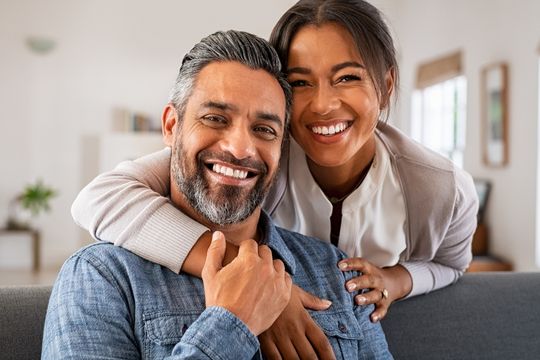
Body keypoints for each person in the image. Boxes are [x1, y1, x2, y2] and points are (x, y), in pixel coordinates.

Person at [72, 0, 478, 357]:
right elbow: (101, 197)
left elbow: (451, 264)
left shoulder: (436, 187)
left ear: (386, 85)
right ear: (172, 125)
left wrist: (397, 279)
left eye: (347, 77)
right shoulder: (258, 155)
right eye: (300, 82)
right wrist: (256, 285)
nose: (323, 104)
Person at [43, 30, 392, 359]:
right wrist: (230, 324)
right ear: (171, 126)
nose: (240, 148)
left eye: (264, 129)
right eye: (215, 118)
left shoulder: (336, 271)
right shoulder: (101, 277)